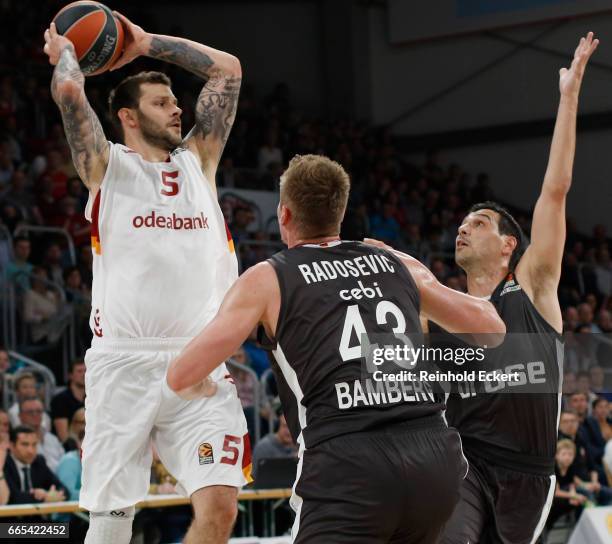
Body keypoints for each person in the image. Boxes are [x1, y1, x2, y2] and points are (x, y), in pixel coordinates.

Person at [167, 154, 506, 543]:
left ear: (284, 215)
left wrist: (201, 386)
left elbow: (181, 374)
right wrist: (409, 266)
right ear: (340, 212)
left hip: (349, 461)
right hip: (433, 456)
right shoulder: (394, 261)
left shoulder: (267, 278)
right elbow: (493, 330)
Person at [45, 9, 248, 543]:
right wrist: (66, 49)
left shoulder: (199, 162)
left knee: (222, 506)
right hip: (123, 364)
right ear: (129, 118)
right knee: (114, 520)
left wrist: (146, 43)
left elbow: (227, 71)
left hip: (198, 356)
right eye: (162, 103)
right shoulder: (105, 166)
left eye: (176, 101)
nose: (178, 110)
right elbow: (70, 95)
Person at [434, 33, 598, 544]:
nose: (462, 227)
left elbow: (556, 189)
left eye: (477, 222)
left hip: (528, 473)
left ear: (509, 245)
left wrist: (569, 96)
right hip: (461, 462)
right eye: (460, 223)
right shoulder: (443, 307)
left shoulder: (533, 284)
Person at [5, 425, 67, 504]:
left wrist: (54, 494)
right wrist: (43, 497)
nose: (30, 451)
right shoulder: (4, 463)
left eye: (34, 445)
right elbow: (11, 498)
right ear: (11, 446)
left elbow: (64, 490)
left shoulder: (39, 462)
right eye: (25, 444)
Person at [18, 397, 65, 472]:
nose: (35, 414)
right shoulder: (17, 440)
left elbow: (64, 461)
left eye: (38, 411)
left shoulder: (52, 438)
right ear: (20, 416)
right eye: (30, 412)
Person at [251, 413, 297, 479]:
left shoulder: (301, 446)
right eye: (285, 426)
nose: (289, 431)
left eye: (293, 427)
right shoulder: (263, 447)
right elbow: (254, 478)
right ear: (278, 427)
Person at [50, 359, 85, 445]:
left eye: (86, 371)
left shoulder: (94, 398)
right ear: (70, 375)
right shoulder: (60, 400)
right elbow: (64, 438)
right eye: (79, 371)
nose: (84, 374)